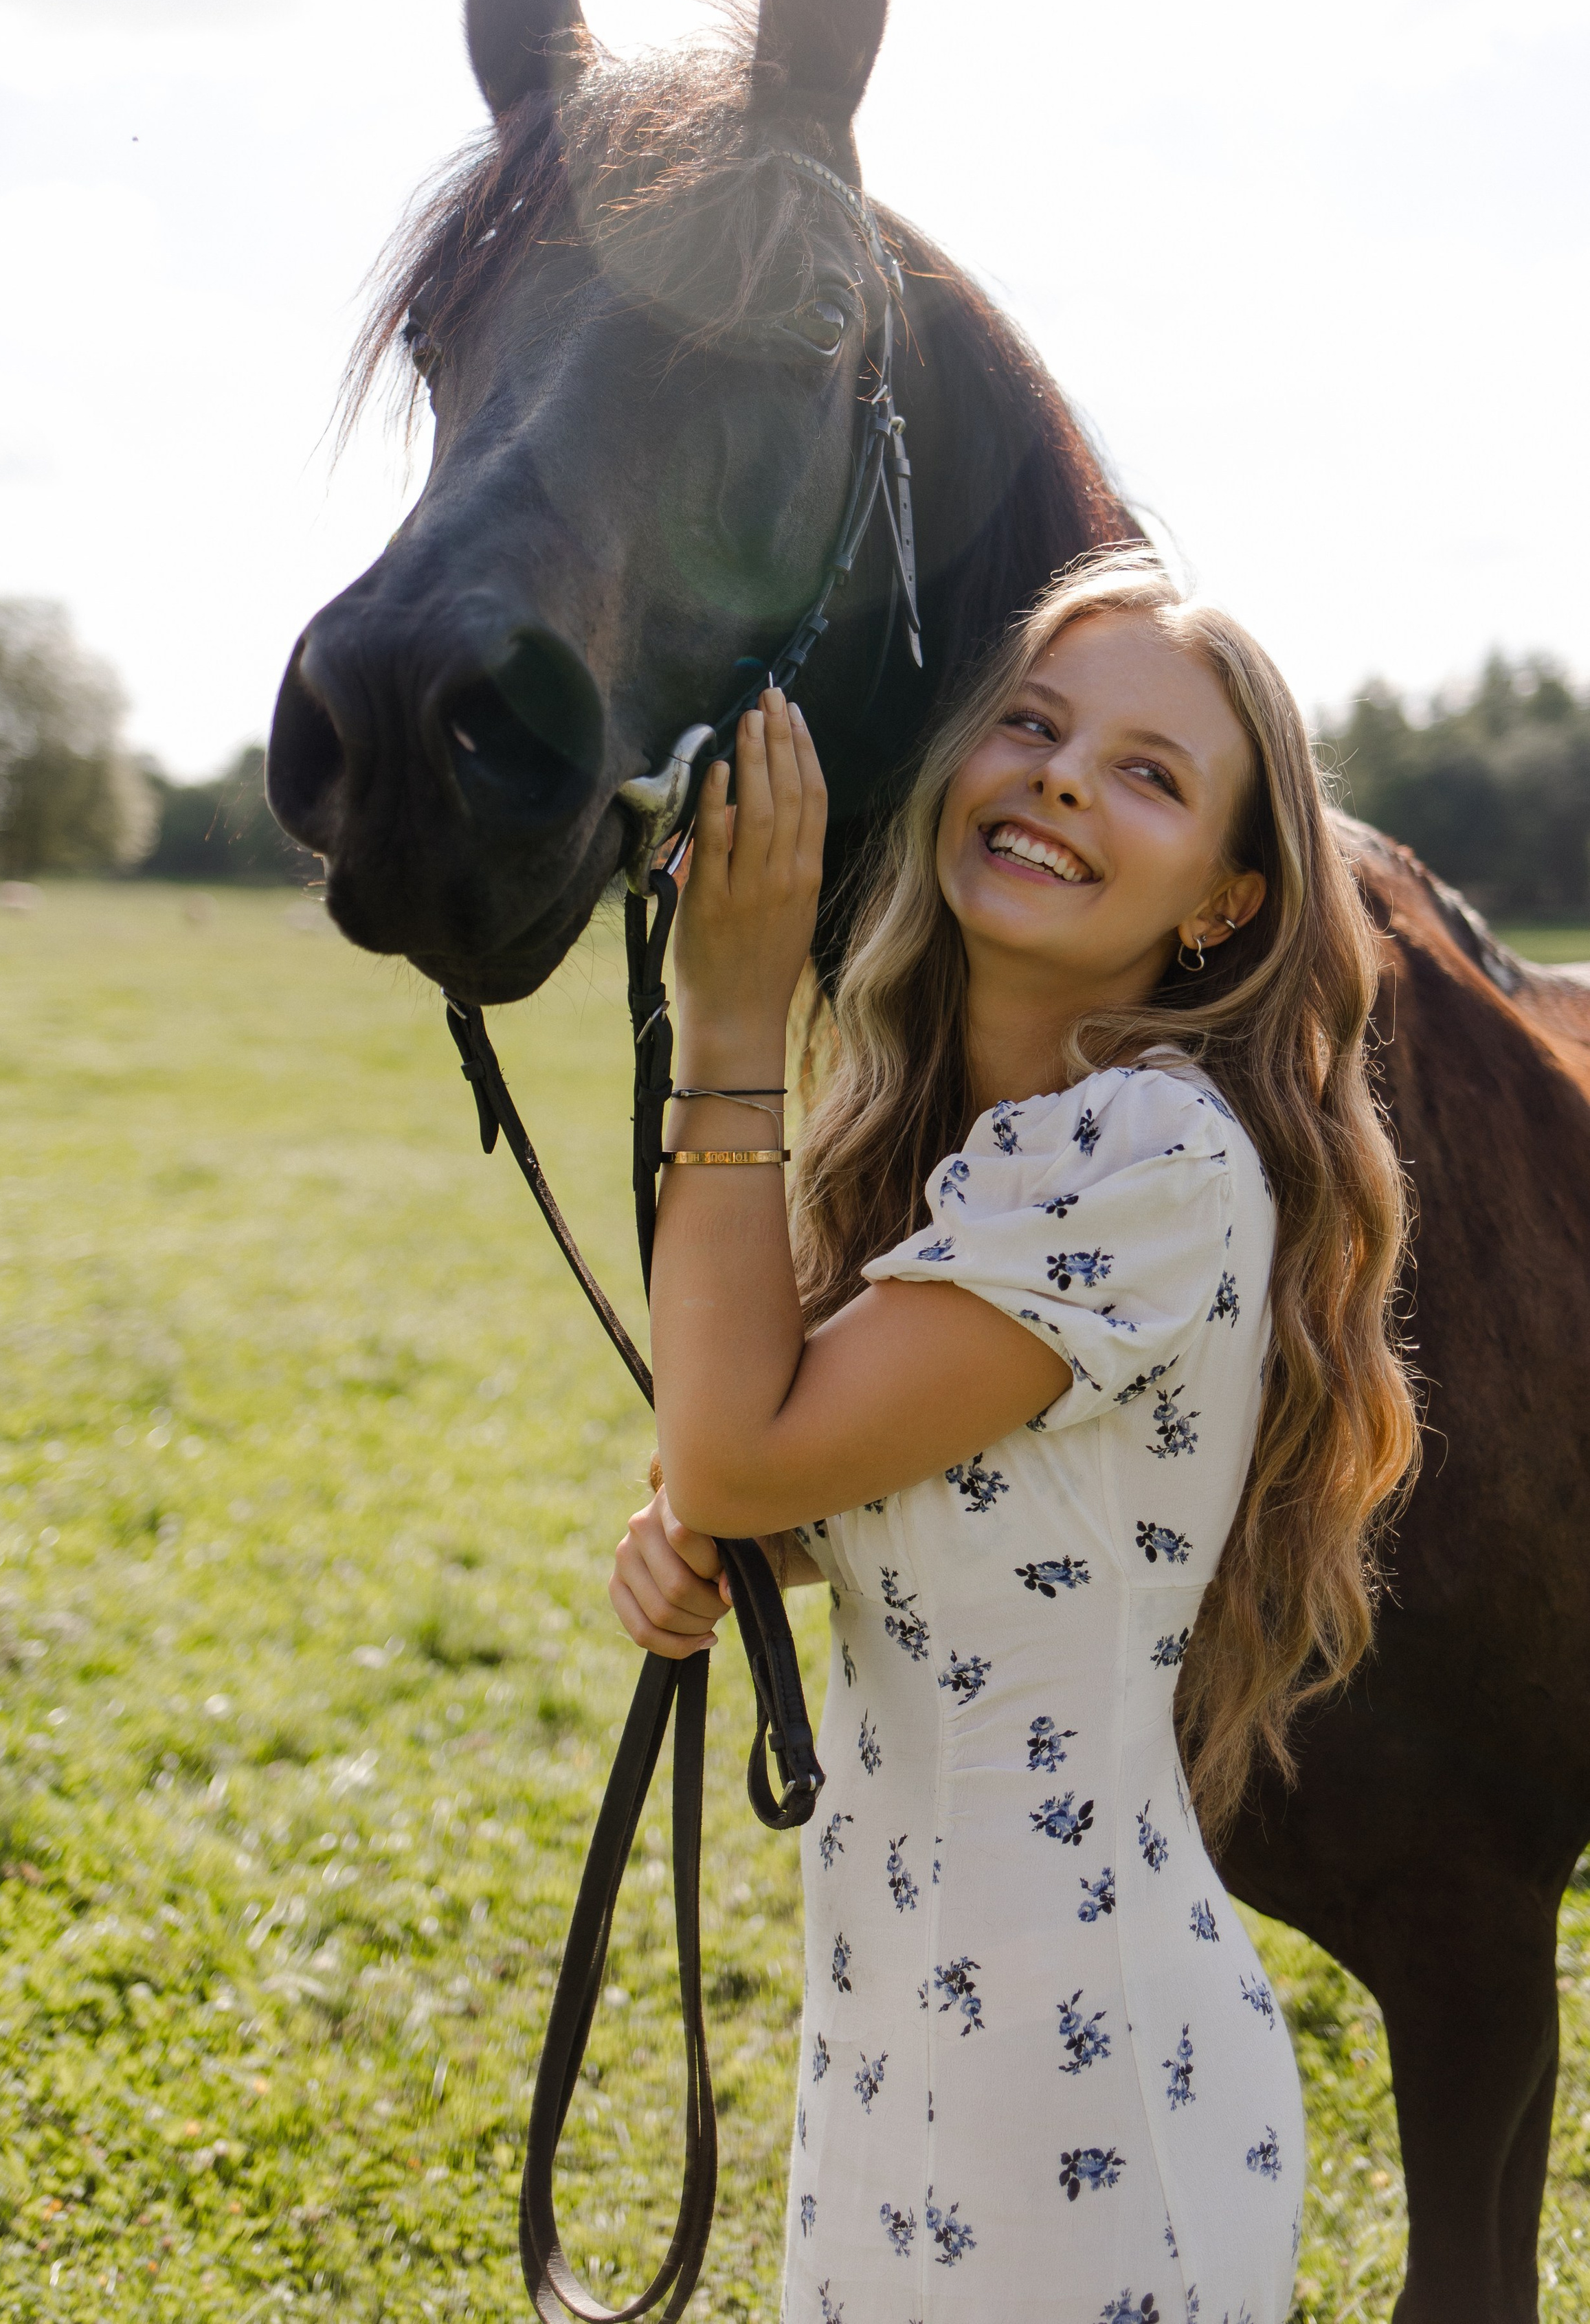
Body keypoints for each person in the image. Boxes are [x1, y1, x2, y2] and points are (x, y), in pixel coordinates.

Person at [607, 551, 1419, 2324]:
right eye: (1034, 726)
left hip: (1078, 2102)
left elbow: (737, 1443)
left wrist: (733, 1017)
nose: (1060, 774)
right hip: (902, 2034)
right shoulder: (976, 1155)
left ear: (1220, 902)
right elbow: (795, 1472)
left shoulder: (1144, 1155)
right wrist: (723, 1538)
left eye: (1149, 771)